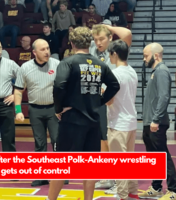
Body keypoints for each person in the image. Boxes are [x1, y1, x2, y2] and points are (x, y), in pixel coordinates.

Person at [47, 26, 120, 200]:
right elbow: (114, 85)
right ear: (90, 43)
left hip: (72, 120)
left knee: (62, 165)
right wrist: (99, 102)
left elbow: (59, 85)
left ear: (72, 43)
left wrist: (58, 108)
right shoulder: (100, 64)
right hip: (93, 122)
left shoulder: (68, 62)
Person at [14, 39, 68, 187]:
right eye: (43, 49)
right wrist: (18, 110)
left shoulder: (57, 64)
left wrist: (64, 106)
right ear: (34, 52)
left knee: (57, 142)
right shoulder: (25, 68)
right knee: (40, 144)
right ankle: (41, 175)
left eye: (48, 48)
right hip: (35, 109)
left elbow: (66, 87)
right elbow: (18, 90)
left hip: (54, 110)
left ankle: (61, 174)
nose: (47, 52)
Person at [90, 23, 132, 192]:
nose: (98, 42)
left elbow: (127, 33)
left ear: (110, 38)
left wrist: (106, 26)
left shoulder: (117, 51)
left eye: (102, 39)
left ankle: (118, 180)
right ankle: (107, 176)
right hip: (98, 101)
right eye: (96, 39)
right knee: (102, 139)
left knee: (112, 141)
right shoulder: (94, 51)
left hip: (114, 101)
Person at [138, 43, 176, 200]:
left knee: (162, 156)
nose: (143, 59)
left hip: (156, 122)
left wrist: (155, 120)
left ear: (156, 55)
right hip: (150, 122)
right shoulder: (155, 72)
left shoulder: (161, 71)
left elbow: (164, 97)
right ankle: (156, 187)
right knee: (154, 158)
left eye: (146, 56)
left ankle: (173, 190)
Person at [106, 40, 139, 200]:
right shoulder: (132, 71)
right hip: (131, 121)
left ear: (114, 54)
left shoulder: (115, 74)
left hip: (118, 123)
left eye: (109, 54)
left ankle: (123, 196)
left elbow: (109, 100)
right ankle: (132, 192)